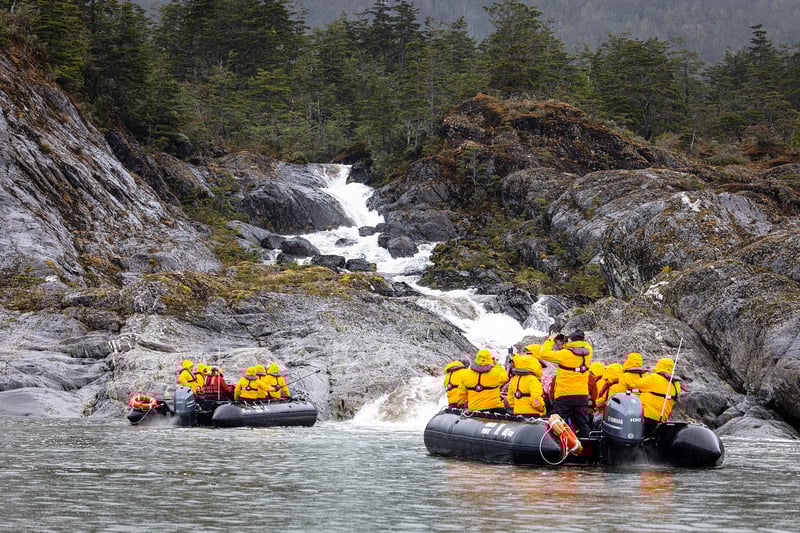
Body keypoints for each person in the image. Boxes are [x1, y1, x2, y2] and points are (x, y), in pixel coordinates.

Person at [536, 329, 593, 438]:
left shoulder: (564, 354)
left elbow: (543, 353)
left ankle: (558, 446)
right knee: (582, 423)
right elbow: (582, 345)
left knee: (557, 422)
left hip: (564, 395)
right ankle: (587, 448)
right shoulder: (588, 352)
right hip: (582, 395)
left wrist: (551, 340)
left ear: (571, 341)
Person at [636, 358, 681, 434]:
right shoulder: (677, 384)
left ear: (659, 365)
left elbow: (637, 384)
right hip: (662, 419)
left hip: (645, 416)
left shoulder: (653, 378)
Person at [457, 348, 509, 414]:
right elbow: (505, 378)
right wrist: (495, 364)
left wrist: (461, 404)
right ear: (490, 359)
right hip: (495, 407)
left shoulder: (465, 374)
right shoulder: (496, 372)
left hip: (475, 408)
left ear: (476, 359)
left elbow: (462, 393)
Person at [506, 352, 546, 417]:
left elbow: (510, 397)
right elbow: (535, 399)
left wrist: (514, 407)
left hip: (517, 413)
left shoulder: (515, 379)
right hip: (532, 413)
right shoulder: (533, 380)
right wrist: (542, 408)